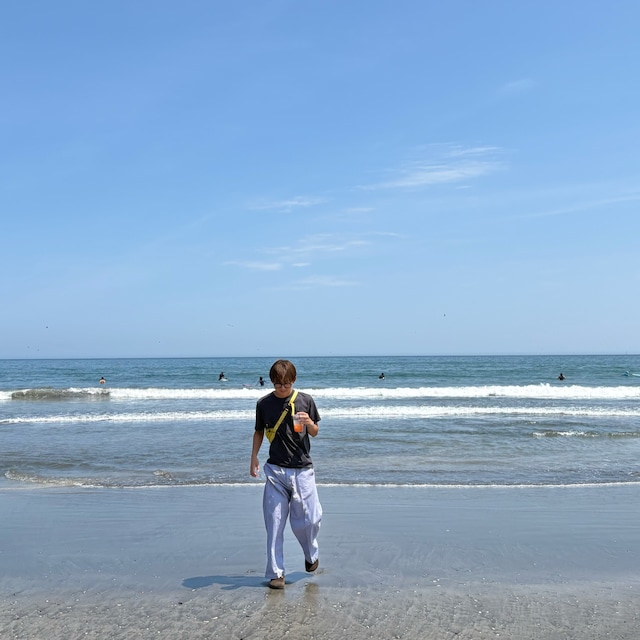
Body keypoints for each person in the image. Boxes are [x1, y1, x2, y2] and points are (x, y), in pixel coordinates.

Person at [250, 359, 322, 589]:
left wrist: (309, 423)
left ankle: (310, 555)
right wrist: (254, 457)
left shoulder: (305, 400)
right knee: (274, 523)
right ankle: (276, 573)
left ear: (294, 380)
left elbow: (315, 432)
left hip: (302, 469)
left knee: (310, 519)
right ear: (272, 382)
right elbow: (259, 431)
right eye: (278, 384)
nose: (282, 388)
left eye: (286, 384)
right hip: (275, 470)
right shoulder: (263, 404)